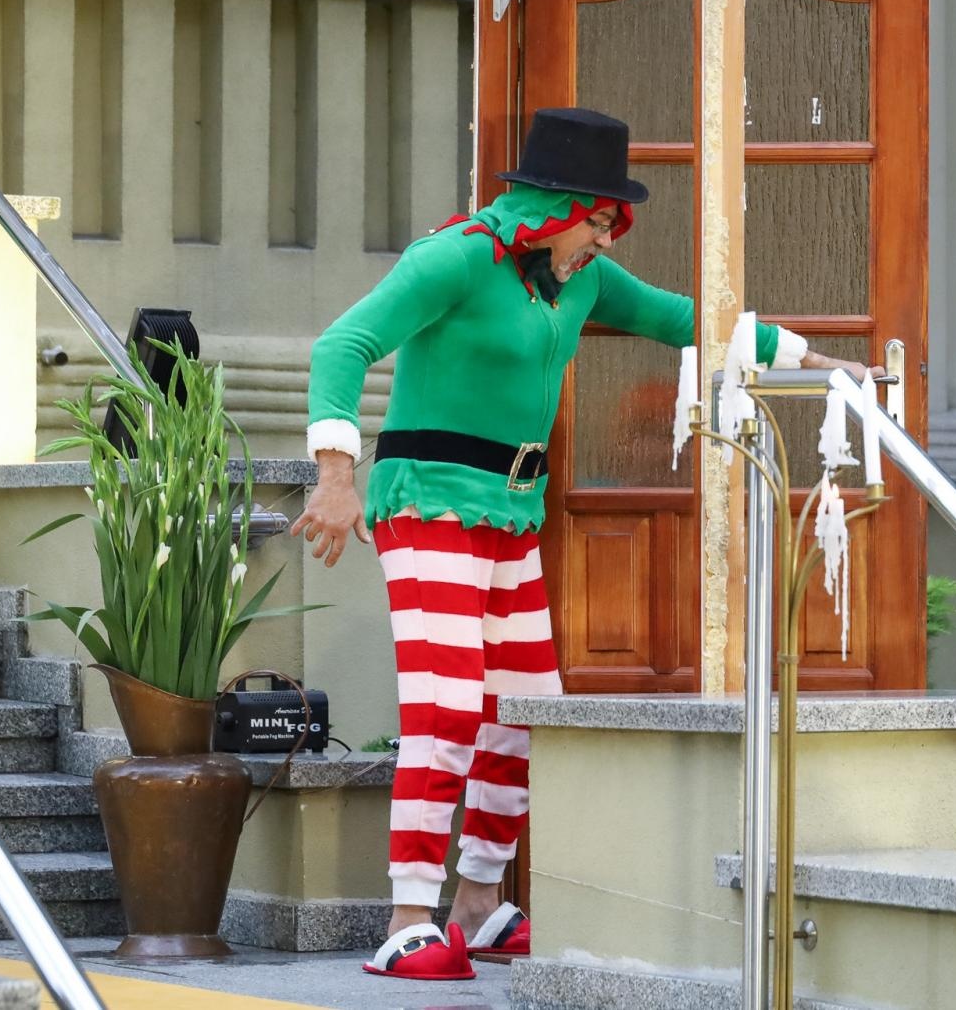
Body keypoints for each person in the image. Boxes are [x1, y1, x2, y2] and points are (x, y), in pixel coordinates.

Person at [294, 107, 874, 980]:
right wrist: (336, 477)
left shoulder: (582, 281)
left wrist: (817, 364)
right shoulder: (457, 257)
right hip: (429, 506)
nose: (607, 237)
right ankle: (407, 916)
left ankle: (478, 903)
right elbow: (343, 344)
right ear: (553, 204)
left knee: (527, 717)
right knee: (450, 709)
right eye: (600, 219)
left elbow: (690, 319)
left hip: (509, 518)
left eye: (613, 223)